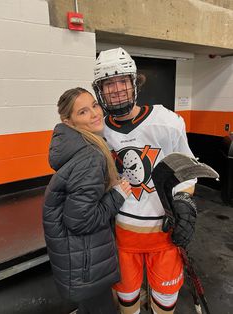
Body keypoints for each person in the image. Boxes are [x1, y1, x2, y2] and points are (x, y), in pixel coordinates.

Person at [93, 48, 197, 314]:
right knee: (127, 303)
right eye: (108, 83)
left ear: (134, 83)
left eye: (121, 81)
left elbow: (187, 170)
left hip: (164, 234)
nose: (116, 89)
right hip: (121, 236)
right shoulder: (98, 131)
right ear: (100, 91)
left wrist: (184, 200)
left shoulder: (169, 122)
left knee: (164, 303)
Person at [43, 87, 132, 314]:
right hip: (86, 264)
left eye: (94, 105)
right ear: (69, 122)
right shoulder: (90, 156)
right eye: (83, 112)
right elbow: (80, 220)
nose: (94, 113)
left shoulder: (75, 147)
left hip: (78, 259)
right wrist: (118, 196)